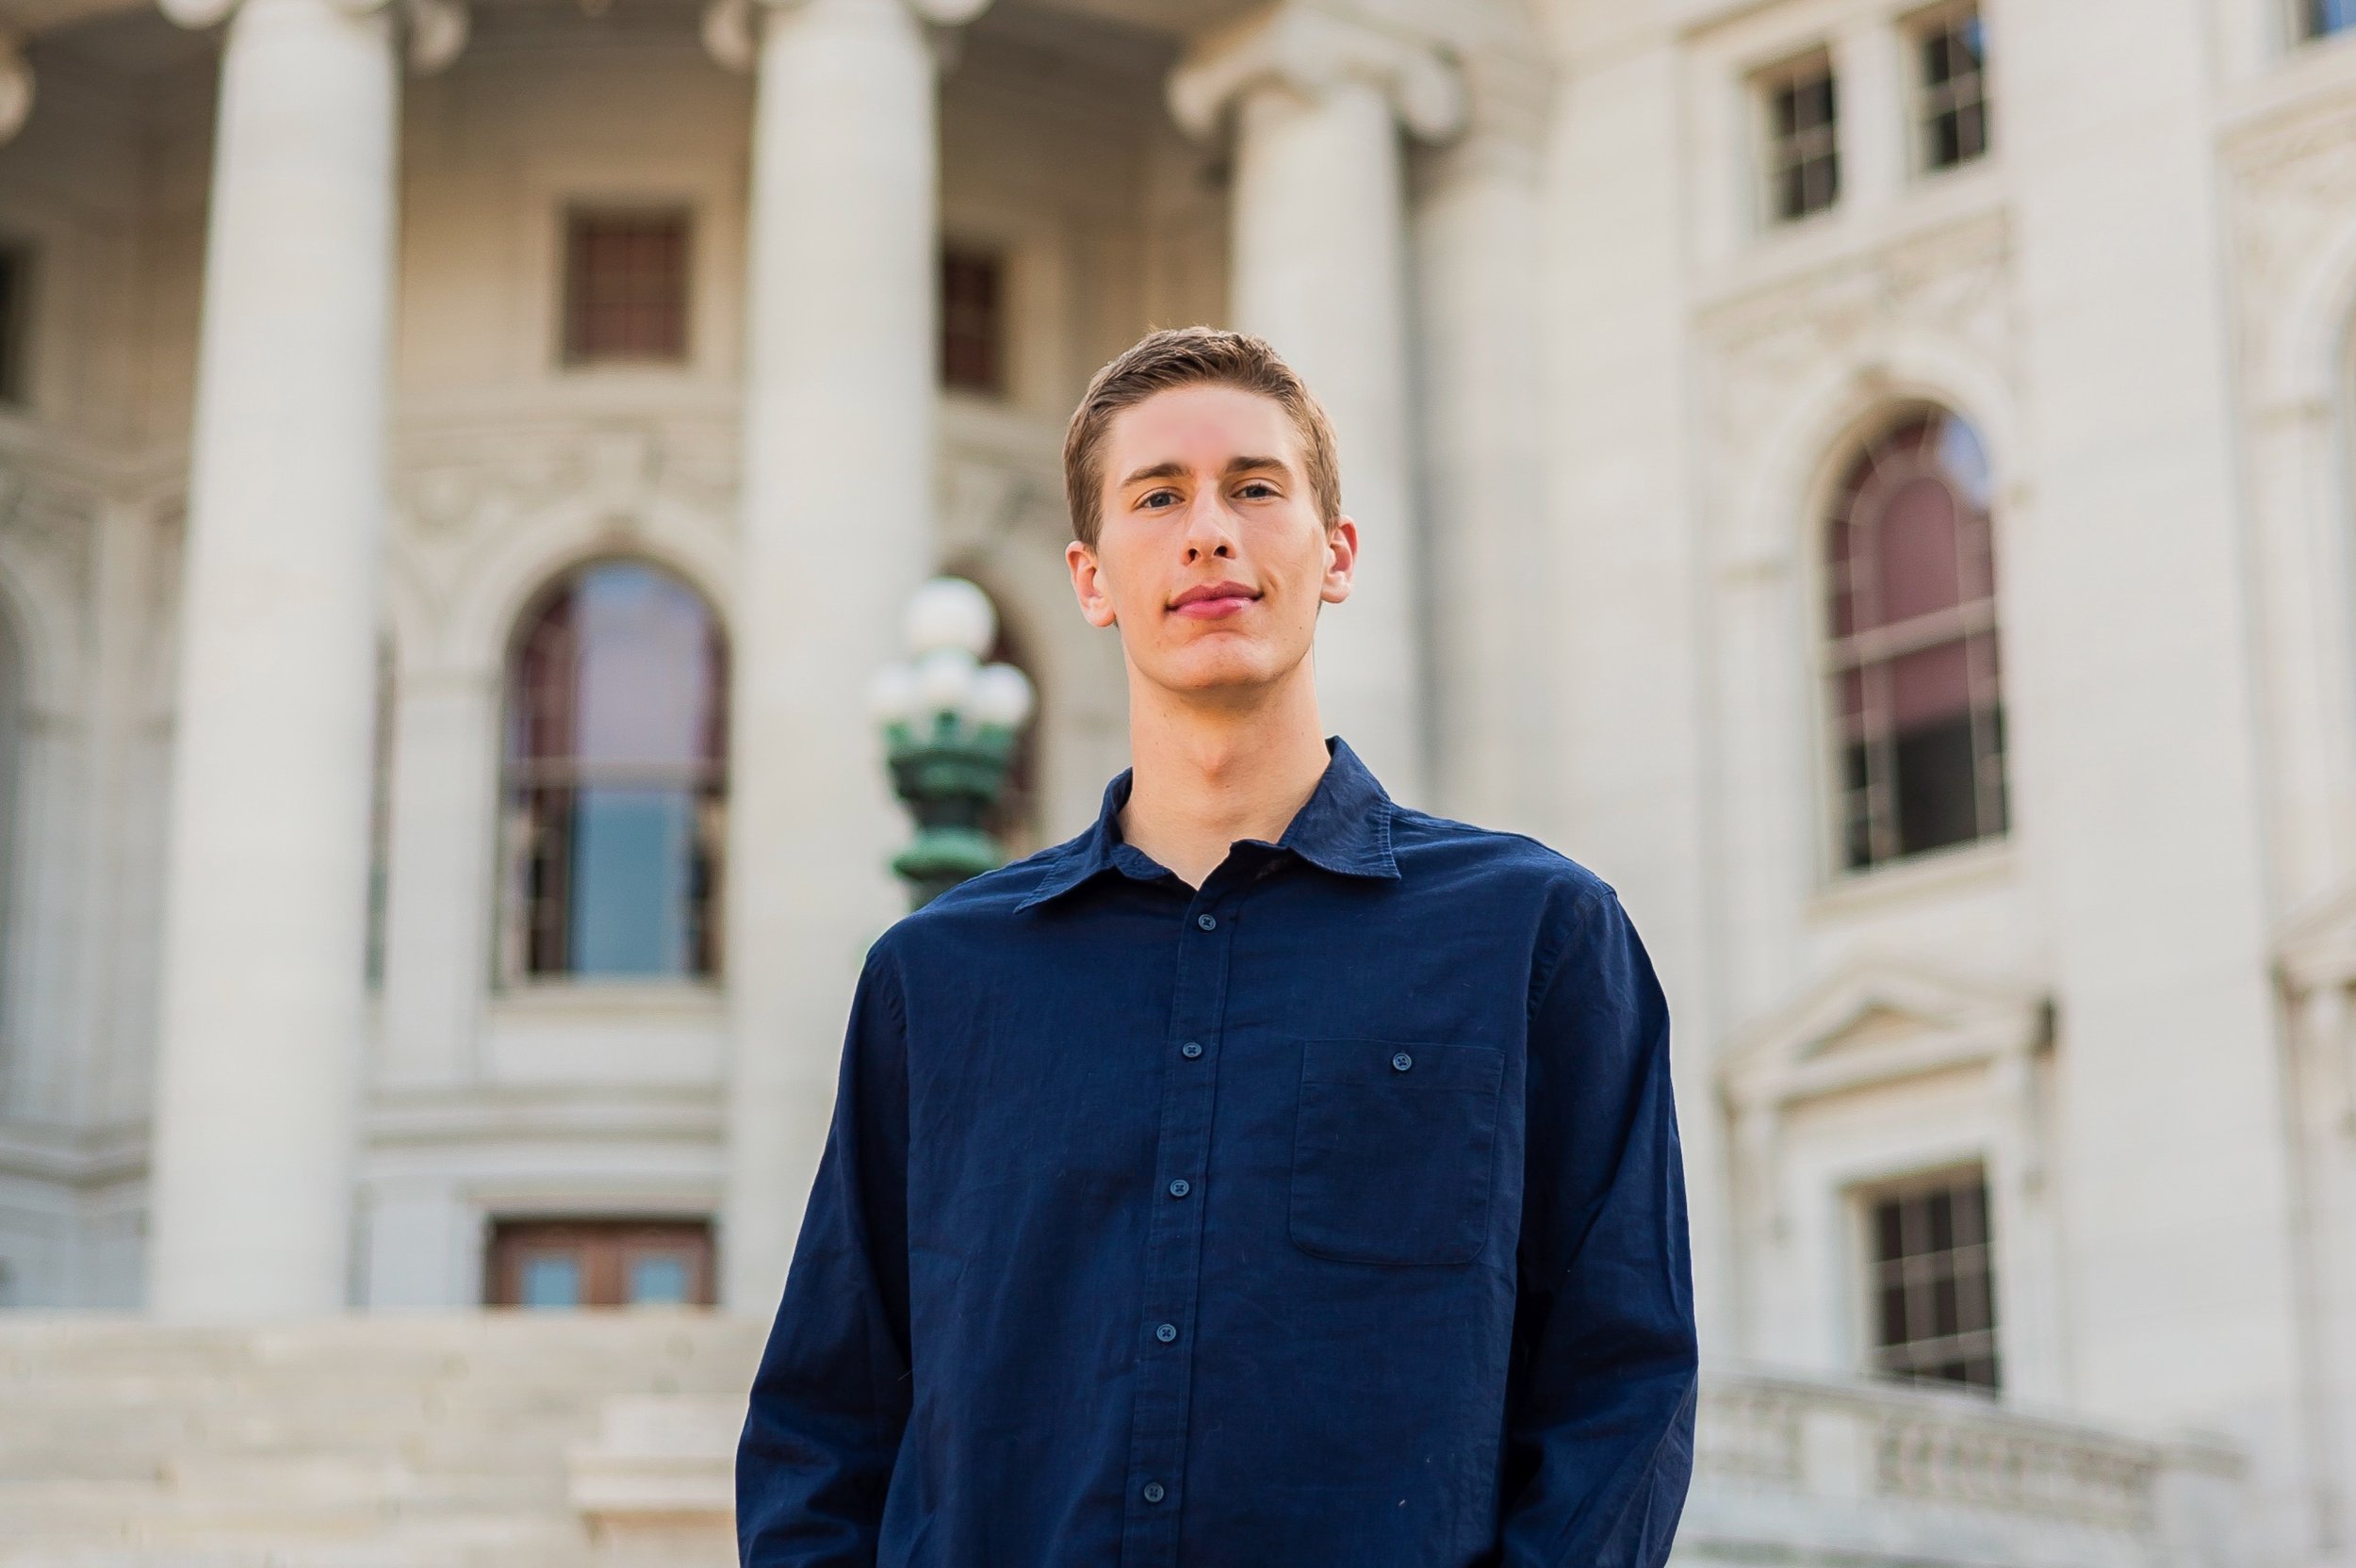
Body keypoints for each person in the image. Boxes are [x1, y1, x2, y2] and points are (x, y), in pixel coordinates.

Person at [736, 327, 1697, 1567]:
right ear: (1090, 578)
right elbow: (826, 1426)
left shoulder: (1537, 939)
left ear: (1335, 553)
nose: (1209, 531)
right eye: (1158, 497)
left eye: (1254, 488)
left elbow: (1621, 1390)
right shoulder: (937, 978)